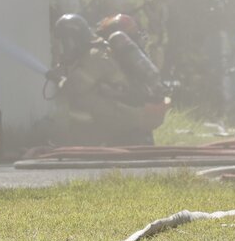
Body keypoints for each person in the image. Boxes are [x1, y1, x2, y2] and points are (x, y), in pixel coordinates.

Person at [46, 14, 167, 147]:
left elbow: (73, 88)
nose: (63, 48)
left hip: (127, 117)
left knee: (81, 100)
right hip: (130, 112)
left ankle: (86, 142)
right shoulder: (99, 50)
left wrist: (58, 78)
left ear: (73, 39)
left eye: (64, 43)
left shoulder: (94, 55)